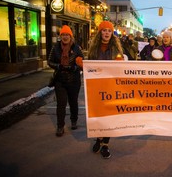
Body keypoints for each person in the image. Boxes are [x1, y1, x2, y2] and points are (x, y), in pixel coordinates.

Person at [88, 20, 124, 159]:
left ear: (112, 33)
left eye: (109, 31)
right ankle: (98, 138)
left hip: (111, 87)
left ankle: (105, 145)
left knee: (109, 116)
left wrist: (120, 63)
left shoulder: (116, 48)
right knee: (98, 115)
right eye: (104, 30)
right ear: (100, 32)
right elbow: (89, 67)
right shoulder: (93, 49)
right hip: (96, 87)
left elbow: (120, 69)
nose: (107, 33)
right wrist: (82, 64)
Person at [48, 25, 84, 137]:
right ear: (60, 36)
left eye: (67, 34)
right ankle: (60, 126)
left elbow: (82, 63)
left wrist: (75, 67)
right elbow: (49, 61)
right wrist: (58, 66)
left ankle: (74, 120)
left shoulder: (77, 48)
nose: (65, 37)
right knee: (61, 104)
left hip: (74, 80)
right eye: (63, 34)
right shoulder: (56, 47)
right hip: (60, 80)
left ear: (71, 36)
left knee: (73, 102)